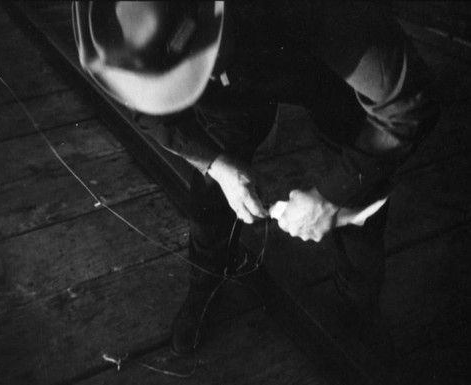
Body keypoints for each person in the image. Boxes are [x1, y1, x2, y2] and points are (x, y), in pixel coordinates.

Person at [73, 1, 438, 357]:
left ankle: (359, 306)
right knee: (213, 185)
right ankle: (206, 281)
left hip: (323, 70)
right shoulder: (119, 35)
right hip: (229, 77)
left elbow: (409, 103)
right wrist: (216, 164)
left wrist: (332, 196)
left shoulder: (333, 11)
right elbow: (146, 108)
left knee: (361, 184)